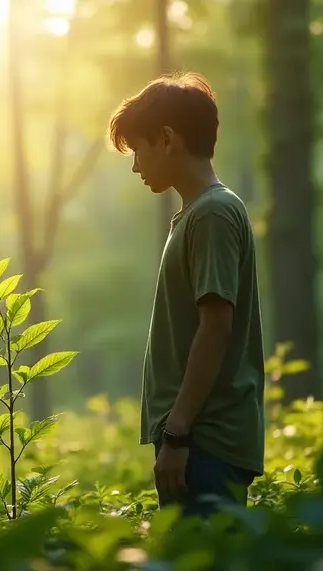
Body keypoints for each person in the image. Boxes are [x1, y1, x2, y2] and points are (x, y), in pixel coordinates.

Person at [106, 73, 266, 519]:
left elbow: (216, 326)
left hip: (204, 442)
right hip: (196, 440)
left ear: (166, 138)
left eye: (138, 149)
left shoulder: (213, 214)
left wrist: (177, 435)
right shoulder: (198, 215)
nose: (136, 165)